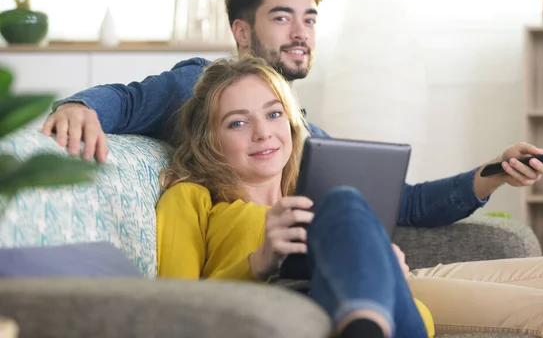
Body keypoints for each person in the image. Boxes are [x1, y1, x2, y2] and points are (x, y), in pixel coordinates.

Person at [42, 0, 543, 336]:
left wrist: (495, 171)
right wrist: (79, 106)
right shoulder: (199, 87)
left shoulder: (308, 138)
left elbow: (406, 204)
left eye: (309, 18)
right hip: (316, 285)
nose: (301, 32)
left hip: (386, 271)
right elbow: (130, 98)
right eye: (282, 17)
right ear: (242, 32)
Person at [156, 55, 435, 338]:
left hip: (342, 315)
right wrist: (258, 263)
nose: (263, 133)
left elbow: (422, 319)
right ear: (209, 139)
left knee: (344, 202)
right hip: (267, 318)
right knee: (344, 200)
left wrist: (385, 276)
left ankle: (365, 314)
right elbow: (173, 309)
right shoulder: (190, 197)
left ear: (290, 122)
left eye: (274, 114)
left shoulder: (315, 198)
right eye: (238, 123)